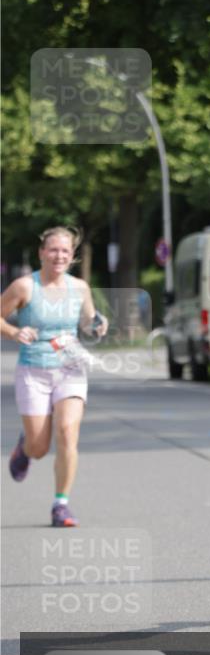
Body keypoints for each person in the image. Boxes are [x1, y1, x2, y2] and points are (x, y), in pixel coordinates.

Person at [1, 226, 108, 527]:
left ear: (72, 256)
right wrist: (13, 330)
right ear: (42, 253)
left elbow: (88, 320)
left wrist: (98, 323)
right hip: (33, 371)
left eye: (65, 250)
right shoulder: (24, 287)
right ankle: (25, 447)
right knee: (39, 447)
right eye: (53, 250)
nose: (59, 255)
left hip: (70, 369)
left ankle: (61, 504)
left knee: (67, 432)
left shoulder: (80, 288)